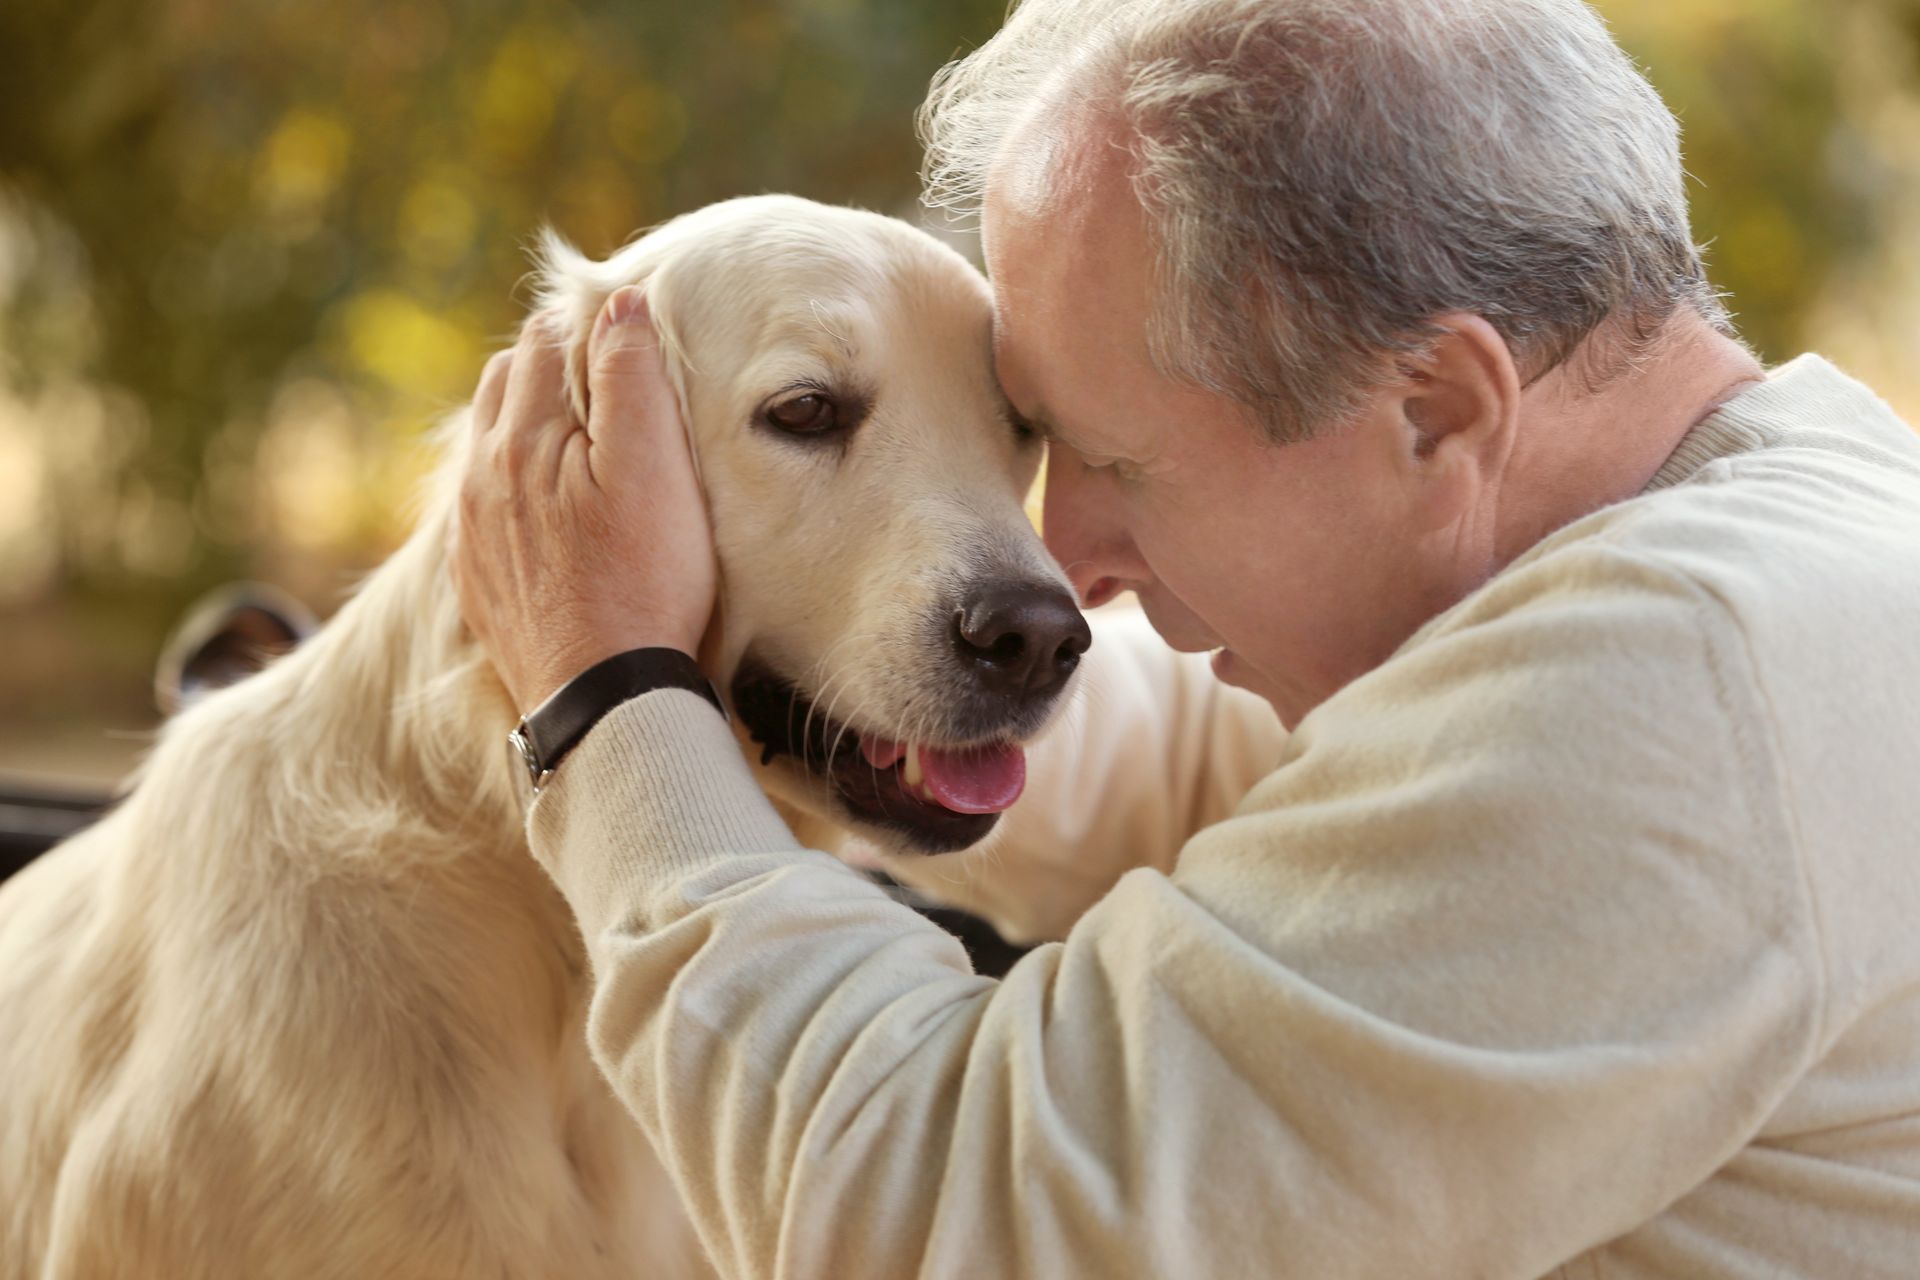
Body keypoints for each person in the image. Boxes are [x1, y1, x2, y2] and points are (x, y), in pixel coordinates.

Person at [450, 0, 1920, 1275]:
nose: (1070, 560)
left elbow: (953, 1219)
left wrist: (609, 700)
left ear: (1436, 412)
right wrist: (806, 655)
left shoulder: (1678, 694)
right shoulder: (1789, 528)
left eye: (1114, 459)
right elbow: (1225, 768)